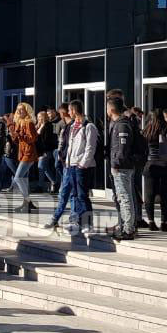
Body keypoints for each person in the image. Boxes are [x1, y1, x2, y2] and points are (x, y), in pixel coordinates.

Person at [45, 100, 97, 237]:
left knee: (82, 195)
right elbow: (69, 146)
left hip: (81, 166)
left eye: (70, 110)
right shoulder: (72, 126)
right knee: (75, 194)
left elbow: (90, 148)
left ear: (74, 110)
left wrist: (83, 163)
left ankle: (88, 223)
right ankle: (78, 221)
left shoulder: (89, 126)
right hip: (71, 165)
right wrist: (67, 162)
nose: (68, 112)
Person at [106, 98, 141, 240]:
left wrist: (116, 163)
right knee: (123, 197)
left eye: (107, 108)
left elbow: (122, 148)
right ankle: (126, 226)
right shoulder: (119, 123)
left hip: (122, 167)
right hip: (122, 166)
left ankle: (128, 229)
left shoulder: (122, 125)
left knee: (125, 197)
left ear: (111, 109)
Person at [141, 110, 167, 232]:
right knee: (166, 195)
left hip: (150, 165)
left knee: (149, 195)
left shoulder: (146, 131)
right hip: (166, 165)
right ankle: (164, 222)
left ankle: (151, 222)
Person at [9, 103, 39, 213]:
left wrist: (19, 135)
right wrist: (14, 136)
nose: (19, 111)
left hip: (29, 153)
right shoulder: (19, 122)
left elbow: (32, 138)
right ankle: (26, 204)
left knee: (17, 178)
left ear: (27, 111)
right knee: (24, 179)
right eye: (18, 109)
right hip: (22, 153)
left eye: (22, 109)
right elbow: (18, 141)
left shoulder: (29, 122)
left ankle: (28, 201)